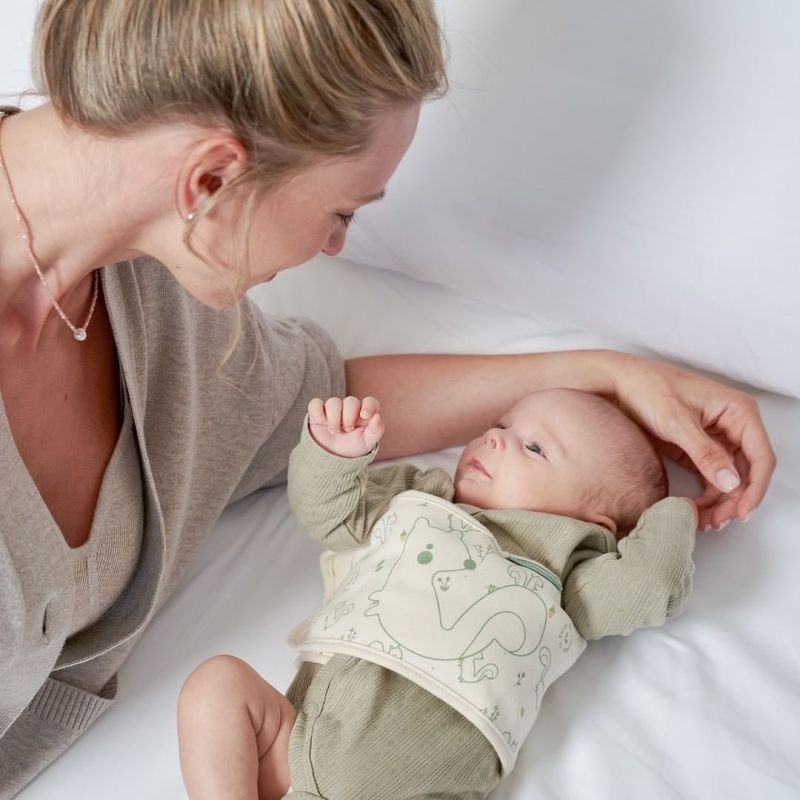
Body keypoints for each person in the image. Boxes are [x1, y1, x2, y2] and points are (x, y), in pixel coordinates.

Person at [0, 0, 774, 796]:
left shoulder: (163, 302)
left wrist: (599, 375)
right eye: (341, 213)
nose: (334, 248)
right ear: (212, 178)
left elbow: (322, 400)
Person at [177, 390, 697, 799]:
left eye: (535, 448)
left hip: (421, 786)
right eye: (501, 425)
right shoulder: (418, 499)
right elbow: (332, 513)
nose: (496, 440)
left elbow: (653, 586)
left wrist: (678, 509)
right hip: (298, 745)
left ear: (592, 521)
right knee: (216, 684)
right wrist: (333, 457)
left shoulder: (565, 576)